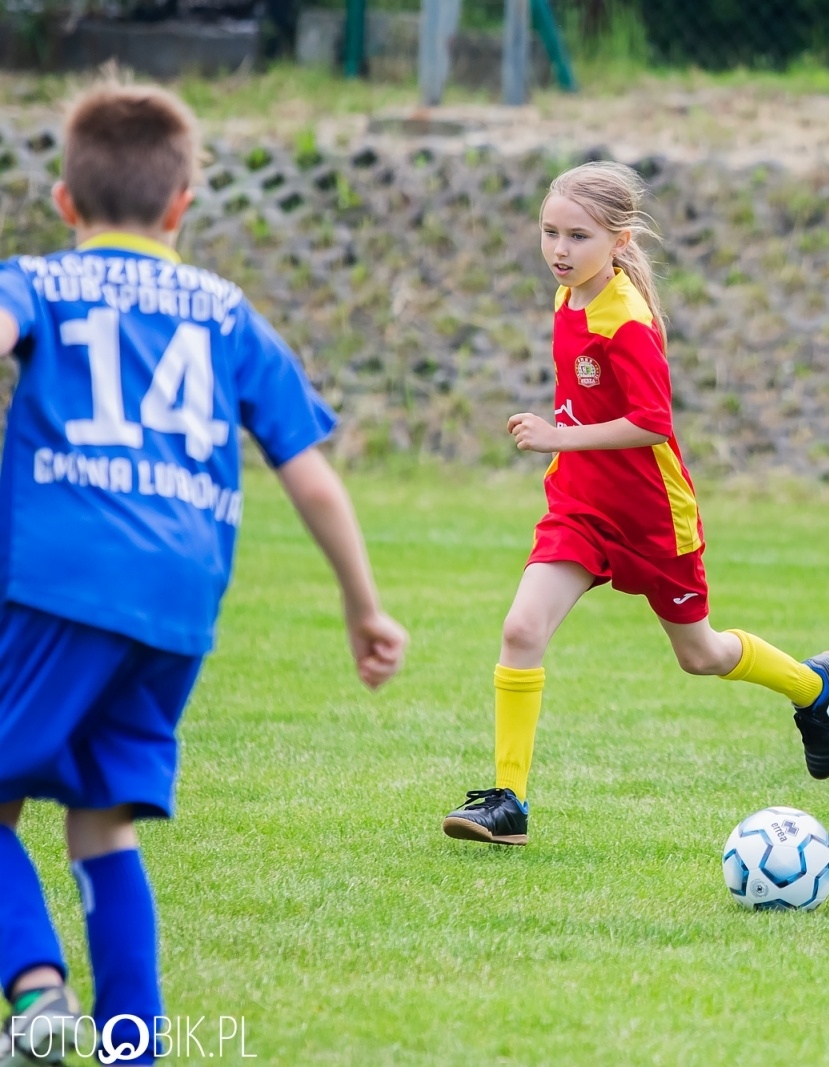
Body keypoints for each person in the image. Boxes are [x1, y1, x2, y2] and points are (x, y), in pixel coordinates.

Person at [0, 82, 407, 1064]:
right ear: (183, 204)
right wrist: (363, 604)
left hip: (64, 576)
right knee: (103, 821)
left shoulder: (40, 281)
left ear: (64, 202)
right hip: (181, 598)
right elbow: (307, 472)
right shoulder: (226, 312)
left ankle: (35, 986)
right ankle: (131, 1043)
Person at [441, 161, 829, 847]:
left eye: (577, 236)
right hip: (579, 505)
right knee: (521, 630)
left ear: (621, 240)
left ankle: (813, 688)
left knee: (701, 654)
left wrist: (556, 434)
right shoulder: (566, 299)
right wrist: (564, 447)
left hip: (652, 514)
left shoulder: (626, 319)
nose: (559, 250)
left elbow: (654, 421)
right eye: (549, 233)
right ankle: (509, 802)